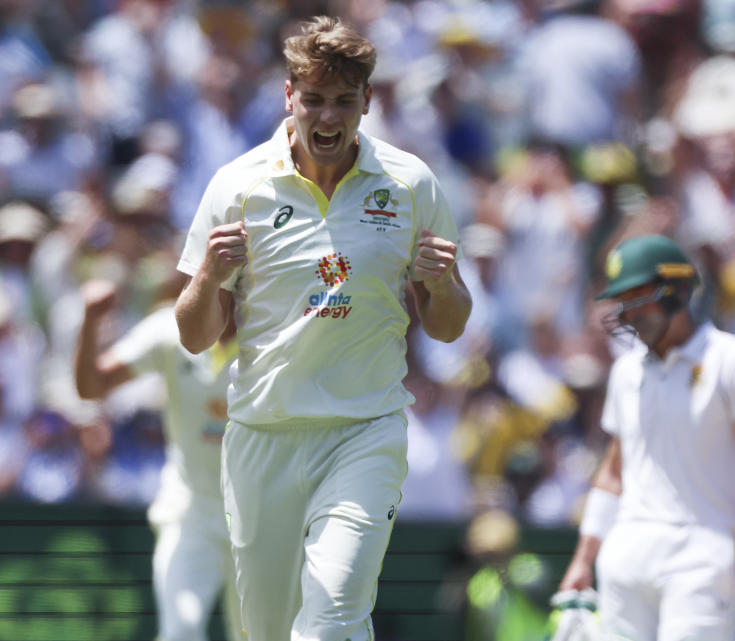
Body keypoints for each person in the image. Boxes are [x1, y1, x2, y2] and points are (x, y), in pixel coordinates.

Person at [173, 15, 472, 641]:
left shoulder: (411, 184)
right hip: (262, 434)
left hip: (365, 432)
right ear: (289, 98)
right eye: (314, 100)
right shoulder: (237, 185)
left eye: (343, 101)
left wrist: (442, 284)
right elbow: (195, 335)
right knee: (268, 629)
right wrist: (206, 276)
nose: (328, 118)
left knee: (335, 611)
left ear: (368, 101)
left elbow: (447, 327)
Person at [557, 234, 735, 640]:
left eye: (640, 295)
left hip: (704, 548)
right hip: (627, 547)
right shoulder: (627, 371)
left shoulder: (731, 358)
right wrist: (582, 558)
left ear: (678, 289)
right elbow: (613, 471)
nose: (629, 312)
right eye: (623, 300)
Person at [74, 278, 242, 641]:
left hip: (260, 517)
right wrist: (90, 319)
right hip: (189, 512)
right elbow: (91, 387)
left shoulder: (276, 329)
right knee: (179, 632)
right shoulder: (167, 330)